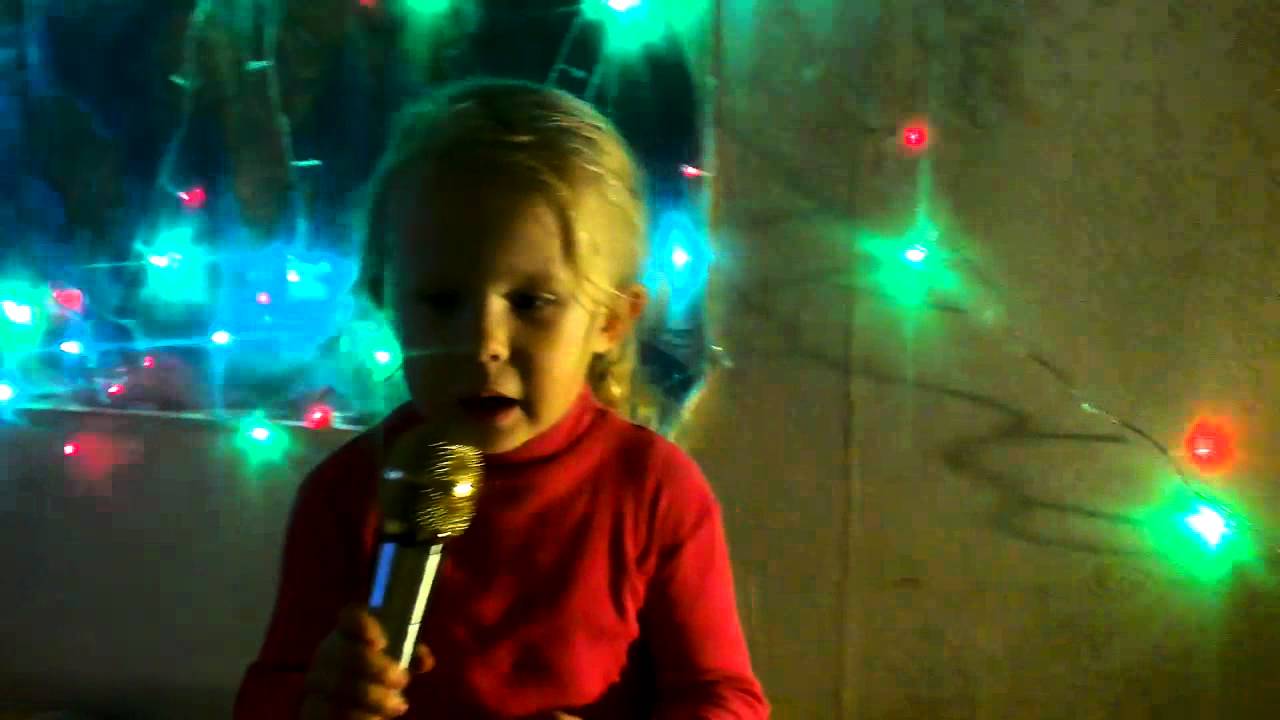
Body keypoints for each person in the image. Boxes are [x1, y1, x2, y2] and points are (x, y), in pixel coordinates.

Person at [233, 78, 768, 719]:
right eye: (442, 301)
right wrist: (319, 699)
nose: (484, 343)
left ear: (610, 322)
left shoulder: (655, 493)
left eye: (531, 303)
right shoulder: (346, 495)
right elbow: (268, 694)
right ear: (385, 297)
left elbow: (725, 699)